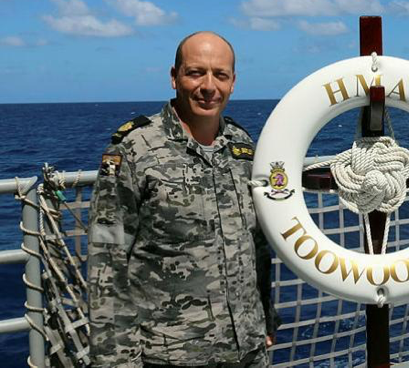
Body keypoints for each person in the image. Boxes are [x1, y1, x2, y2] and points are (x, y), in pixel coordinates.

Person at [88, 31, 279, 367]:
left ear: (233, 82)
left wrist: (266, 316)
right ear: (174, 78)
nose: (209, 86)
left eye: (220, 75)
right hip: (170, 355)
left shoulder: (242, 147)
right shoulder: (134, 150)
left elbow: (257, 246)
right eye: (195, 73)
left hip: (247, 351)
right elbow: (107, 260)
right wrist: (116, 360)